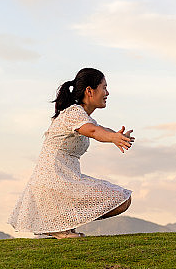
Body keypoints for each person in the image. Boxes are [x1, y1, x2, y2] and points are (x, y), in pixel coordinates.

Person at [8, 68, 134, 239]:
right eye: (104, 87)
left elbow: (99, 128)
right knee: (121, 199)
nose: (107, 92)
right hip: (53, 180)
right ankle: (57, 224)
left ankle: (62, 223)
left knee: (122, 200)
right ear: (90, 91)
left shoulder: (81, 116)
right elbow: (94, 131)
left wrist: (116, 135)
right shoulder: (73, 113)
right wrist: (113, 138)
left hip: (66, 179)